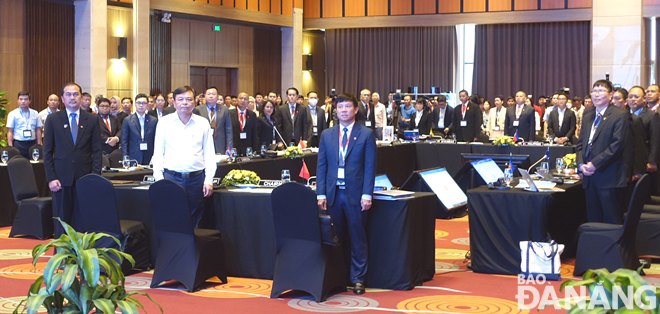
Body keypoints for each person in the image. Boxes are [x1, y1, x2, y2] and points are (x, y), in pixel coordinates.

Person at [316, 92, 376, 296]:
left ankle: (358, 279)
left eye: (347, 107)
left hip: (356, 195)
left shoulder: (366, 134)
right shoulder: (327, 134)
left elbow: (370, 167)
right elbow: (322, 165)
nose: (343, 110)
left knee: (357, 237)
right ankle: (338, 277)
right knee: (336, 238)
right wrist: (320, 193)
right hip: (333, 194)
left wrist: (367, 194)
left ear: (355, 110)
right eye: (340, 107)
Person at [152, 86, 216, 227]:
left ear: (195, 102)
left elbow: (210, 154)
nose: (185, 103)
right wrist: (160, 181)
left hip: (196, 180)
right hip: (171, 178)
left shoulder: (202, 123)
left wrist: (209, 180)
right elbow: (158, 154)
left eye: (188, 99)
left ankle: (193, 249)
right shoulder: (164, 122)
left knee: (196, 222)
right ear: (174, 103)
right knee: (172, 219)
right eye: (180, 99)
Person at [43, 82, 102, 237]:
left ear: (81, 97)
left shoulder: (92, 120)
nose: (72, 97)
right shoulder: (53, 119)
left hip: (85, 178)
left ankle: (83, 257)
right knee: (62, 221)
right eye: (68, 94)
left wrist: (95, 177)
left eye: (75, 94)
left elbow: (97, 151)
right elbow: (47, 152)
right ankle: (62, 258)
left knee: (83, 220)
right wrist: (51, 178)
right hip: (61, 180)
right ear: (62, 98)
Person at [576, 80, 628, 224]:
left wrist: (595, 164)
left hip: (608, 177)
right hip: (588, 177)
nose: (596, 94)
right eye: (594, 91)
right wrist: (580, 164)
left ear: (611, 95)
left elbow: (617, 145)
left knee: (610, 220)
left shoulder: (619, 115)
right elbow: (580, 144)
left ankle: (612, 247)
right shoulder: (587, 115)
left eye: (601, 91)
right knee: (593, 220)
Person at [121, 94, 158, 165]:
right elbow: (124, 141)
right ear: (135, 104)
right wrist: (125, 157)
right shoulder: (128, 120)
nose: (141, 105)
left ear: (147, 105)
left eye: (144, 103)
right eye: (139, 103)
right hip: (133, 156)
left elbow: (156, 140)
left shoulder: (153, 120)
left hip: (149, 155)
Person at [193, 87, 233, 154]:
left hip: (220, 144)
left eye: (213, 94)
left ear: (217, 96)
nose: (211, 96)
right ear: (205, 96)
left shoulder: (224, 109)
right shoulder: (198, 110)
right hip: (203, 144)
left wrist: (229, 148)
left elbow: (229, 130)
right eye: (209, 94)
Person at [6, 91, 42, 158]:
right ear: (17, 101)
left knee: (33, 164)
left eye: (25, 99)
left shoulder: (35, 113)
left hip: (32, 143)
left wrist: (39, 144)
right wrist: (10, 147)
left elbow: (38, 130)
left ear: (29, 101)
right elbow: (10, 131)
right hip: (19, 144)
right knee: (19, 164)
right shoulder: (12, 114)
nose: (23, 101)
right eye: (21, 99)